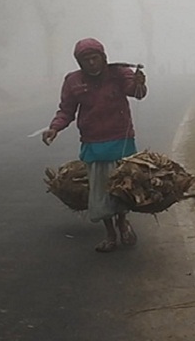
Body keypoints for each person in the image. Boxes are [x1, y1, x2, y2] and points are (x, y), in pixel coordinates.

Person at [42, 38, 147, 252]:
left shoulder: (119, 73)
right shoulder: (73, 81)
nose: (91, 63)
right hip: (93, 143)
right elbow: (66, 110)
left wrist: (139, 83)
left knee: (122, 189)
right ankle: (110, 234)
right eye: (86, 60)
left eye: (95, 58)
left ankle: (122, 223)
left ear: (103, 57)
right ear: (79, 63)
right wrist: (54, 128)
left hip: (121, 139)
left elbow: (137, 93)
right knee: (100, 193)